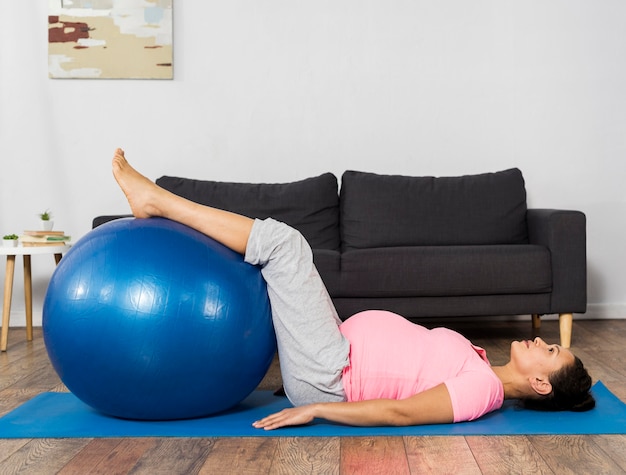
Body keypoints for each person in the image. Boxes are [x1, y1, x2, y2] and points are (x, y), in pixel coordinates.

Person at [111, 148, 595, 430]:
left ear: (539, 384)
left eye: (550, 351)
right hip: (332, 351)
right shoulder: (482, 366)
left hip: (328, 374)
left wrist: (318, 408)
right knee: (277, 258)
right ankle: (162, 204)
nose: (541, 340)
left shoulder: (481, 392)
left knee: (285, 245)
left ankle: (158, 200)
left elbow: (402, 413)